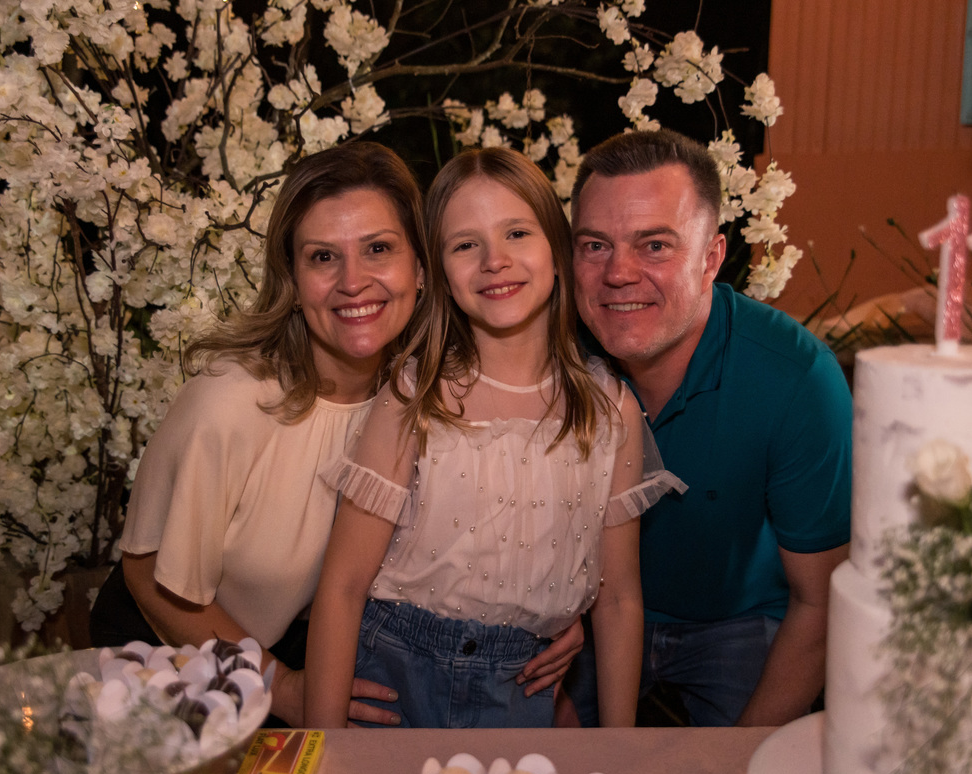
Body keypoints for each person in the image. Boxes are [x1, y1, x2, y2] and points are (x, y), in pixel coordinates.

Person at [88, 142, 579, 726]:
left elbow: (471, 535)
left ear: (421, 269)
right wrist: (277, 686)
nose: (354, 281)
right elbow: (152, 581)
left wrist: (542, 608)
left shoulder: (426, 396)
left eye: (378, 249)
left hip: (308, 655)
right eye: (323, 257)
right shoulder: (230, 403)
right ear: (293, 280)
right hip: (165, 667)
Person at [304, 147, 683, 729]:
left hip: (523, 686)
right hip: (393, 678)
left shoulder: (610, 411)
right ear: (436, 272)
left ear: (559, 252)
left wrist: (618, 744)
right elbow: (343, 586)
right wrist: (322, 746)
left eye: (516, 233)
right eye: (465, 244)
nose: (494, 261)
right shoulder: (414, 397)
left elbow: (619, 598)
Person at [566, 129, 852, 728]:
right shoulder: (548, 357)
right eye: (595, 245)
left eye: (655, 246)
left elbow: (821, 601)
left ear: (712, 258)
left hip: (738, 620)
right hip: (584, 613)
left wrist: (738, 767)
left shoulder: (796, 379)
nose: (618, 273)